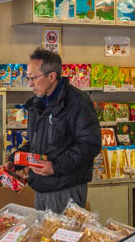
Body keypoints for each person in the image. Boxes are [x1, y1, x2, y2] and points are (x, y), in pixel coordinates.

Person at [12, 48, 101, 213]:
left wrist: (55, 167)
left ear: (51, 76)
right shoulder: (37, 104)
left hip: (66, 189)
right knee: (42, 229)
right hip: (41, 187)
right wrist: (14, 162)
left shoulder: (78, 103)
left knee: (62, 231)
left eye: (33, 78)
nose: (30, 83)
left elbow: (90, 145)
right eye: (28, 78)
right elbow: (34, 143)